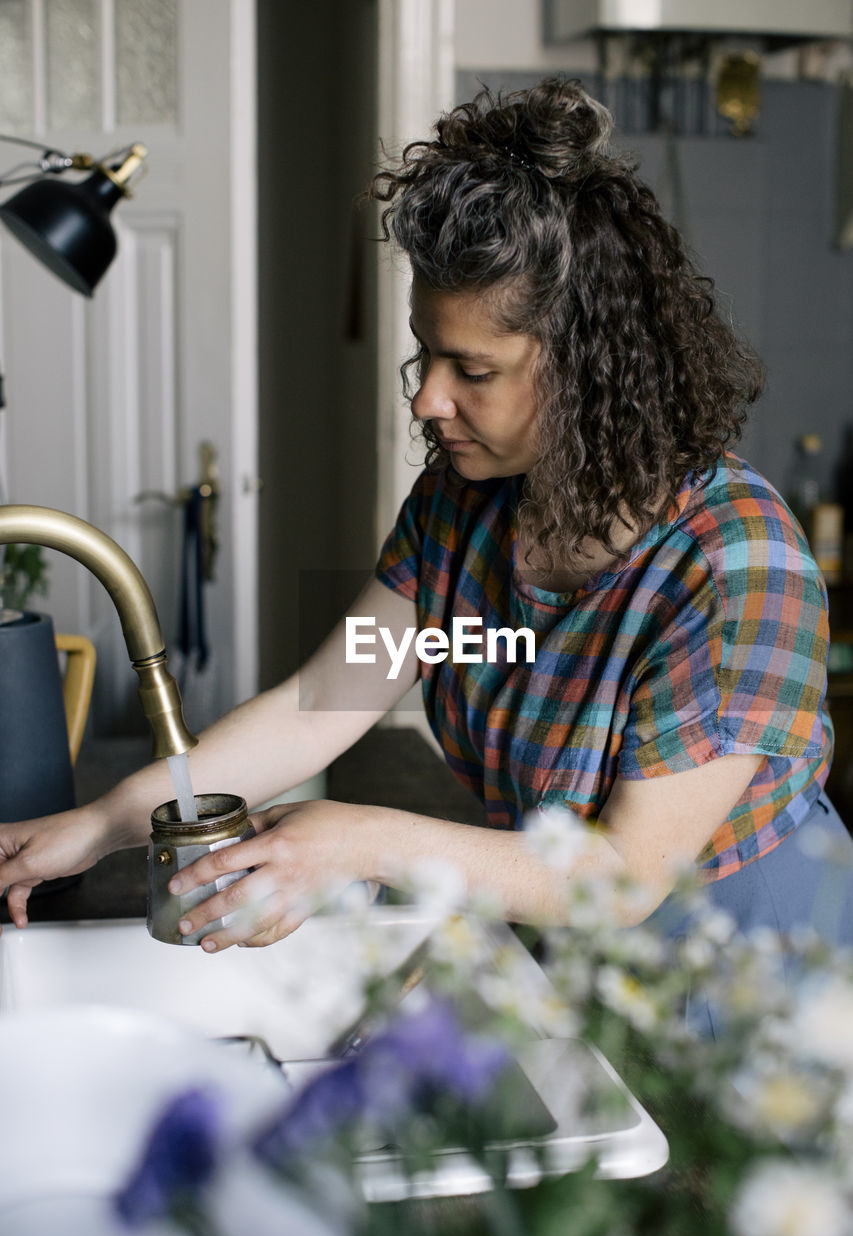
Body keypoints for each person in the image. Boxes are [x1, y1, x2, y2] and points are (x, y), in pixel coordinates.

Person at [1, 77, 850, 958]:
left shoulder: (737, 570)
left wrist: (362, 839)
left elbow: (626, 875)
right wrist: (101, 824)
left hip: (754, 974)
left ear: (590, 365)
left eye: (470, 370)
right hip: (581, 955)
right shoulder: (464, 508)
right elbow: (318, 705)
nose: (427, 400)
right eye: (425, 354)